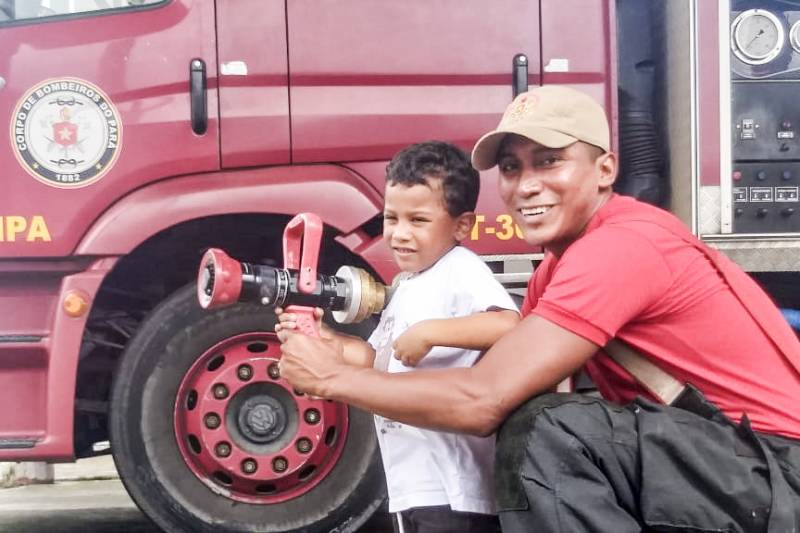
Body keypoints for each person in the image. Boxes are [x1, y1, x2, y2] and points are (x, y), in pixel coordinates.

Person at [278, 86, 800, 532]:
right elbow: (490, 383)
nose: (525, 184)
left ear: (605, 170)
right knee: (540, 420)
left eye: (549, 161)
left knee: (548, 431)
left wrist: (332, 382)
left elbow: (481, 401)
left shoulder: (622, 246)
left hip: (775, 473)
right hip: (720, 464)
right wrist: (347, 356)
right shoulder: (556, 267)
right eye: (511, 167)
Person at [276, 140, 519, 533]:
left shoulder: (461, 269)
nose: (399, 234)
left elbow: (508, 324)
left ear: (461, 226)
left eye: (418, 221)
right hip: (413, 485)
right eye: (392, 218)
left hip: (453, 491)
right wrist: (329, 343)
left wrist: (431, 332)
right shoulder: (408, 284)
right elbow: (377, 360)